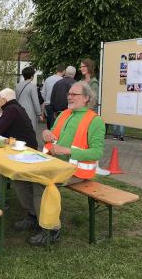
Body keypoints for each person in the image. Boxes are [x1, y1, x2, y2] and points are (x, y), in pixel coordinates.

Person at [23, 81, 105, 246]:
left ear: (87, 98)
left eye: (74, 94)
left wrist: (67, 151)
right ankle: (34, 216)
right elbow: (52, 134)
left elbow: (97, 152)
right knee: (22, 176)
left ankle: (51, 230)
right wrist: (46, 133)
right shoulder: (65, 114)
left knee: (41, 183)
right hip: (54, 163)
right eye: (69, 94)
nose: (69, 96)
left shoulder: (95, 121)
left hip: (75, 170)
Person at [0, 88, 38, 210]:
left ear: (4, 100)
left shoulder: (10, 109)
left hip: (23, 150)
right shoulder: (16, 108)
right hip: (21, 146)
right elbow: (4, 128)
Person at [15, 66, 42, 132]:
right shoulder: (32, 86)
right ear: (32, 76)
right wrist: (39, 113)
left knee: (20, 131)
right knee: (30, 131)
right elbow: (35, 101)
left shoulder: (18, 85)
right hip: (30, 112)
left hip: (19, 111)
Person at [41, 64, 66, 129]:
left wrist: (46, 99)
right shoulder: (63, 80)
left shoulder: (48, 79)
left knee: (50, 123)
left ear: (56, 70)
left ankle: (49, 137)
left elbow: (43, 92)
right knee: (58, 124)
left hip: (48, 104)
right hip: (59, 105)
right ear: (64, 71)